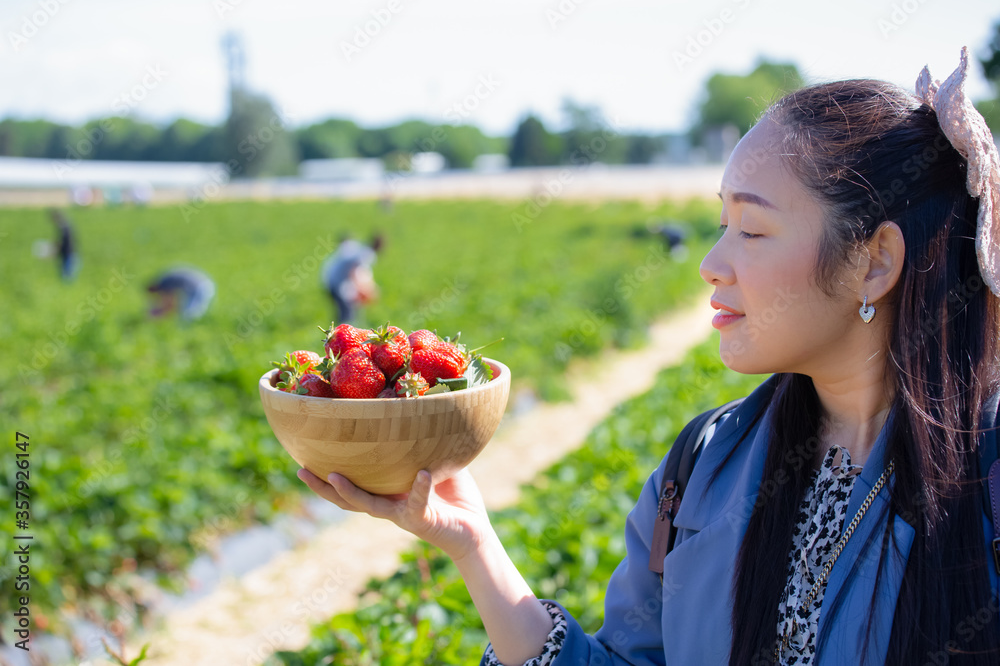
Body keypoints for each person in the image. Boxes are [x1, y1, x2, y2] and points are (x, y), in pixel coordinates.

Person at [296, 47, 1000, 665]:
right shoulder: (701, 466)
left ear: (875, 261)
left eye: (752, 229)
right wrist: (472, 543)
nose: (711, 263)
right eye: (722, 222)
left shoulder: (986, 486)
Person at [320, 234, 383, 325]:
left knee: (347, 310)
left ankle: (342, 332)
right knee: (346, 311)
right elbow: (356, 273)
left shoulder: (359, 249)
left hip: (332, 281)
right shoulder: (367, 254)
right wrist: (364, 290)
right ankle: (341, 334)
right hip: (335, 284)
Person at [146, 267, 216, 321]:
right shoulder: (164, 278)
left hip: (200, 288)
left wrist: (157, 313)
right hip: (205, 284)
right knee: (191, 313)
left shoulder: (164, 284)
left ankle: (189, 333)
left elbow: (170, 304)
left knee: (189, 315)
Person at [49, 208, 79, 281]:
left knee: (68, 277)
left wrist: (55, 250)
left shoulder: (64, 228)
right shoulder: (66, 226)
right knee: (67, 276)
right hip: (69, 254)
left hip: (69, 254)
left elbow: (64, 242)